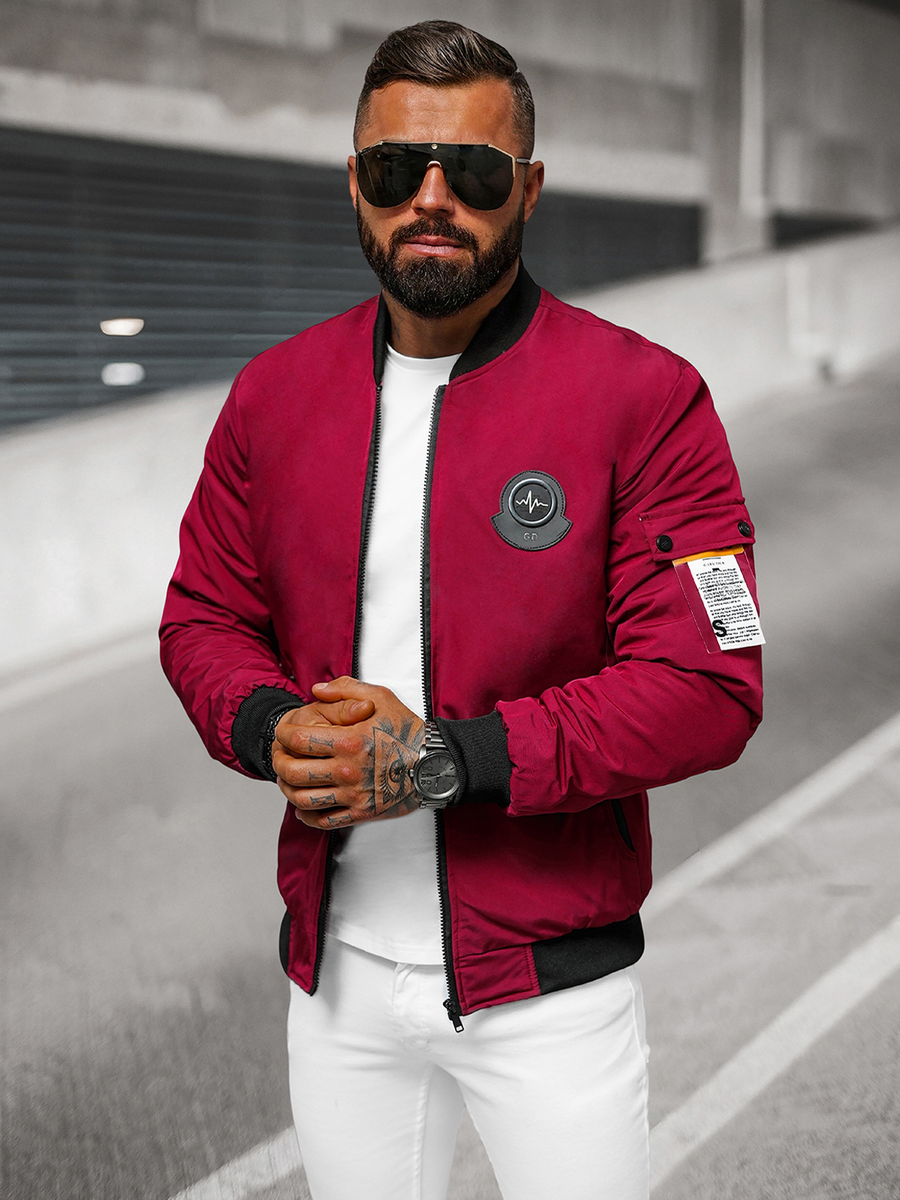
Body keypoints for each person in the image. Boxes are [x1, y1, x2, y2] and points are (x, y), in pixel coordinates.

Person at [160, 19, 763, 1200]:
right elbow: (202, 619)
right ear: (356, 181)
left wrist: (442, 761)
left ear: (527, 190)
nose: (431, 198)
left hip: (551, 994)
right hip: (337, 980)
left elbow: (706, 687)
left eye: (474, 172)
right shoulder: (273, 397)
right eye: (397, 167)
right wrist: (270, 725)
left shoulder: (648, 399)